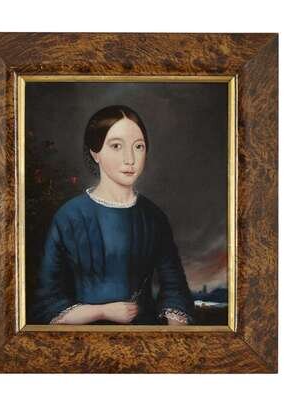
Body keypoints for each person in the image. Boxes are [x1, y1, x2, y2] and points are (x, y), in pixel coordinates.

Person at [31, 105, 196, 325]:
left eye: (138, 147)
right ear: (95, 153)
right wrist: (102, 312)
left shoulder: (154, 217)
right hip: (82, 336)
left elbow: (175, 289)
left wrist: (171, 334)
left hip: (145, 335)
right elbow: (46, 303)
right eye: (116, 146)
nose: (130, 159)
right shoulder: (69, 217)